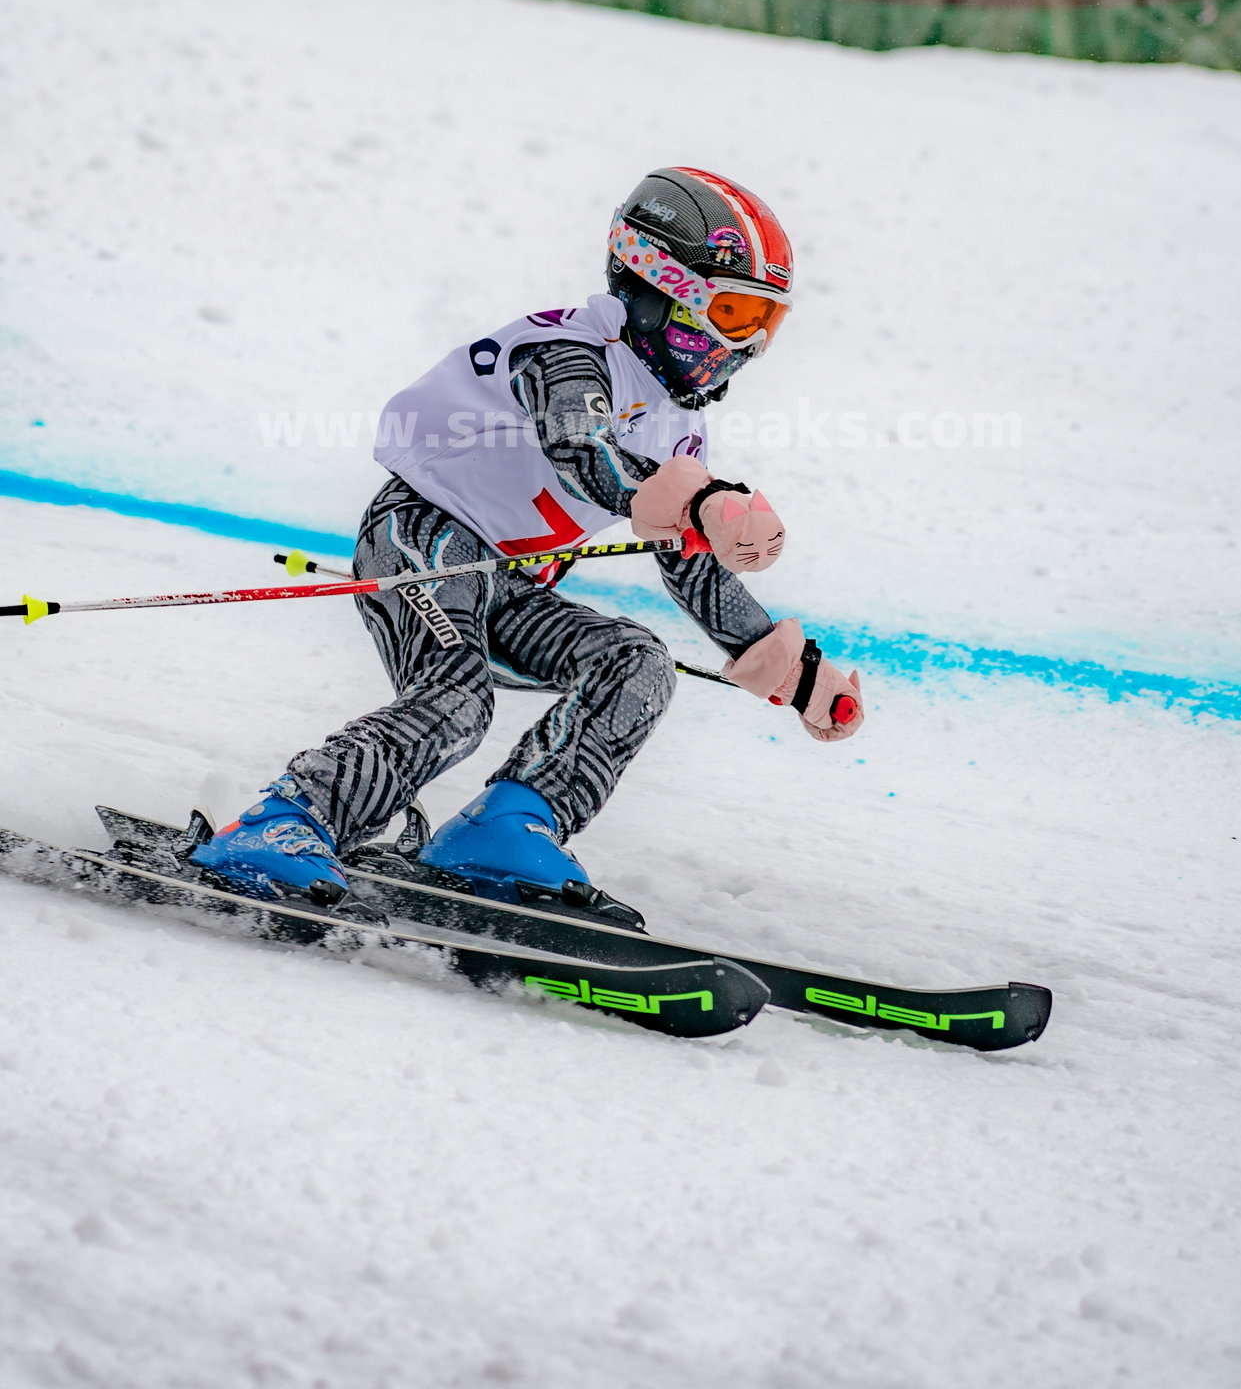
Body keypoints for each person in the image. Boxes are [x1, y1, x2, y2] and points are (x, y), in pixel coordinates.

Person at [191, 167, 863, 921]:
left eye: (765, 326)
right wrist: (700, 499)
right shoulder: (569, 352)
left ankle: (502, 830)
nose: (743, 348)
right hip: (422, 539)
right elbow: (585, 447)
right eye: (733, 313)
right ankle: (286, 820)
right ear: (656, 281)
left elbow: (692, 569)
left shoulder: (680, 426)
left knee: (633, 664)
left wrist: (795, 672)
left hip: (508, 584)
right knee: (456, 698)